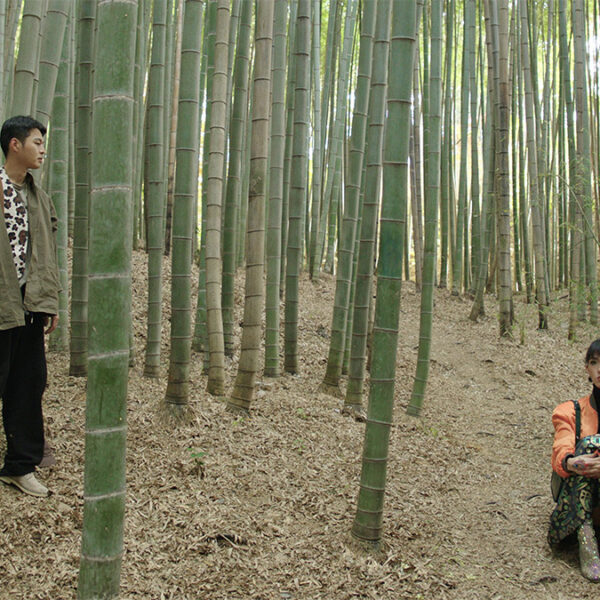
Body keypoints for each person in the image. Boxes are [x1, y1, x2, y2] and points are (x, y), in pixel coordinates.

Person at [0, 115, 59, 498]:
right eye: (36, 142)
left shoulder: (40, 196)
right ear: (15, 145)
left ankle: (20, 467)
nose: (42, 150)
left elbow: (48, 255)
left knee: (28, 384)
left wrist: (50, 301)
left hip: (29, 306)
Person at [549, 339, 600, 581]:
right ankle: (585, 537)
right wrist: (573, 462)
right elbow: (562, 445)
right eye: (594, 362)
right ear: (587, 369)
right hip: (577, 492)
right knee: (588, 446)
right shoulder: (571, 410)